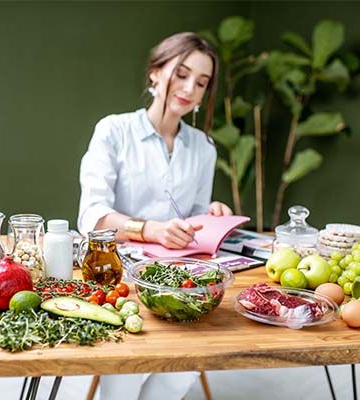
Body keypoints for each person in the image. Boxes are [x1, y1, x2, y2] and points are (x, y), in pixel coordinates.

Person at [77, 32, 233, 400]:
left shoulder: (203, 148)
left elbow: (192, 222)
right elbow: (92, 218)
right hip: (119, 281)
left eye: (202, 82)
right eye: (181, 74)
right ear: (155, 73)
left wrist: (211, 216)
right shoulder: (113, 131)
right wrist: (150, 230)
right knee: (123, 374)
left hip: (178, 282)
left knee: (183, 369)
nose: (190, 88)